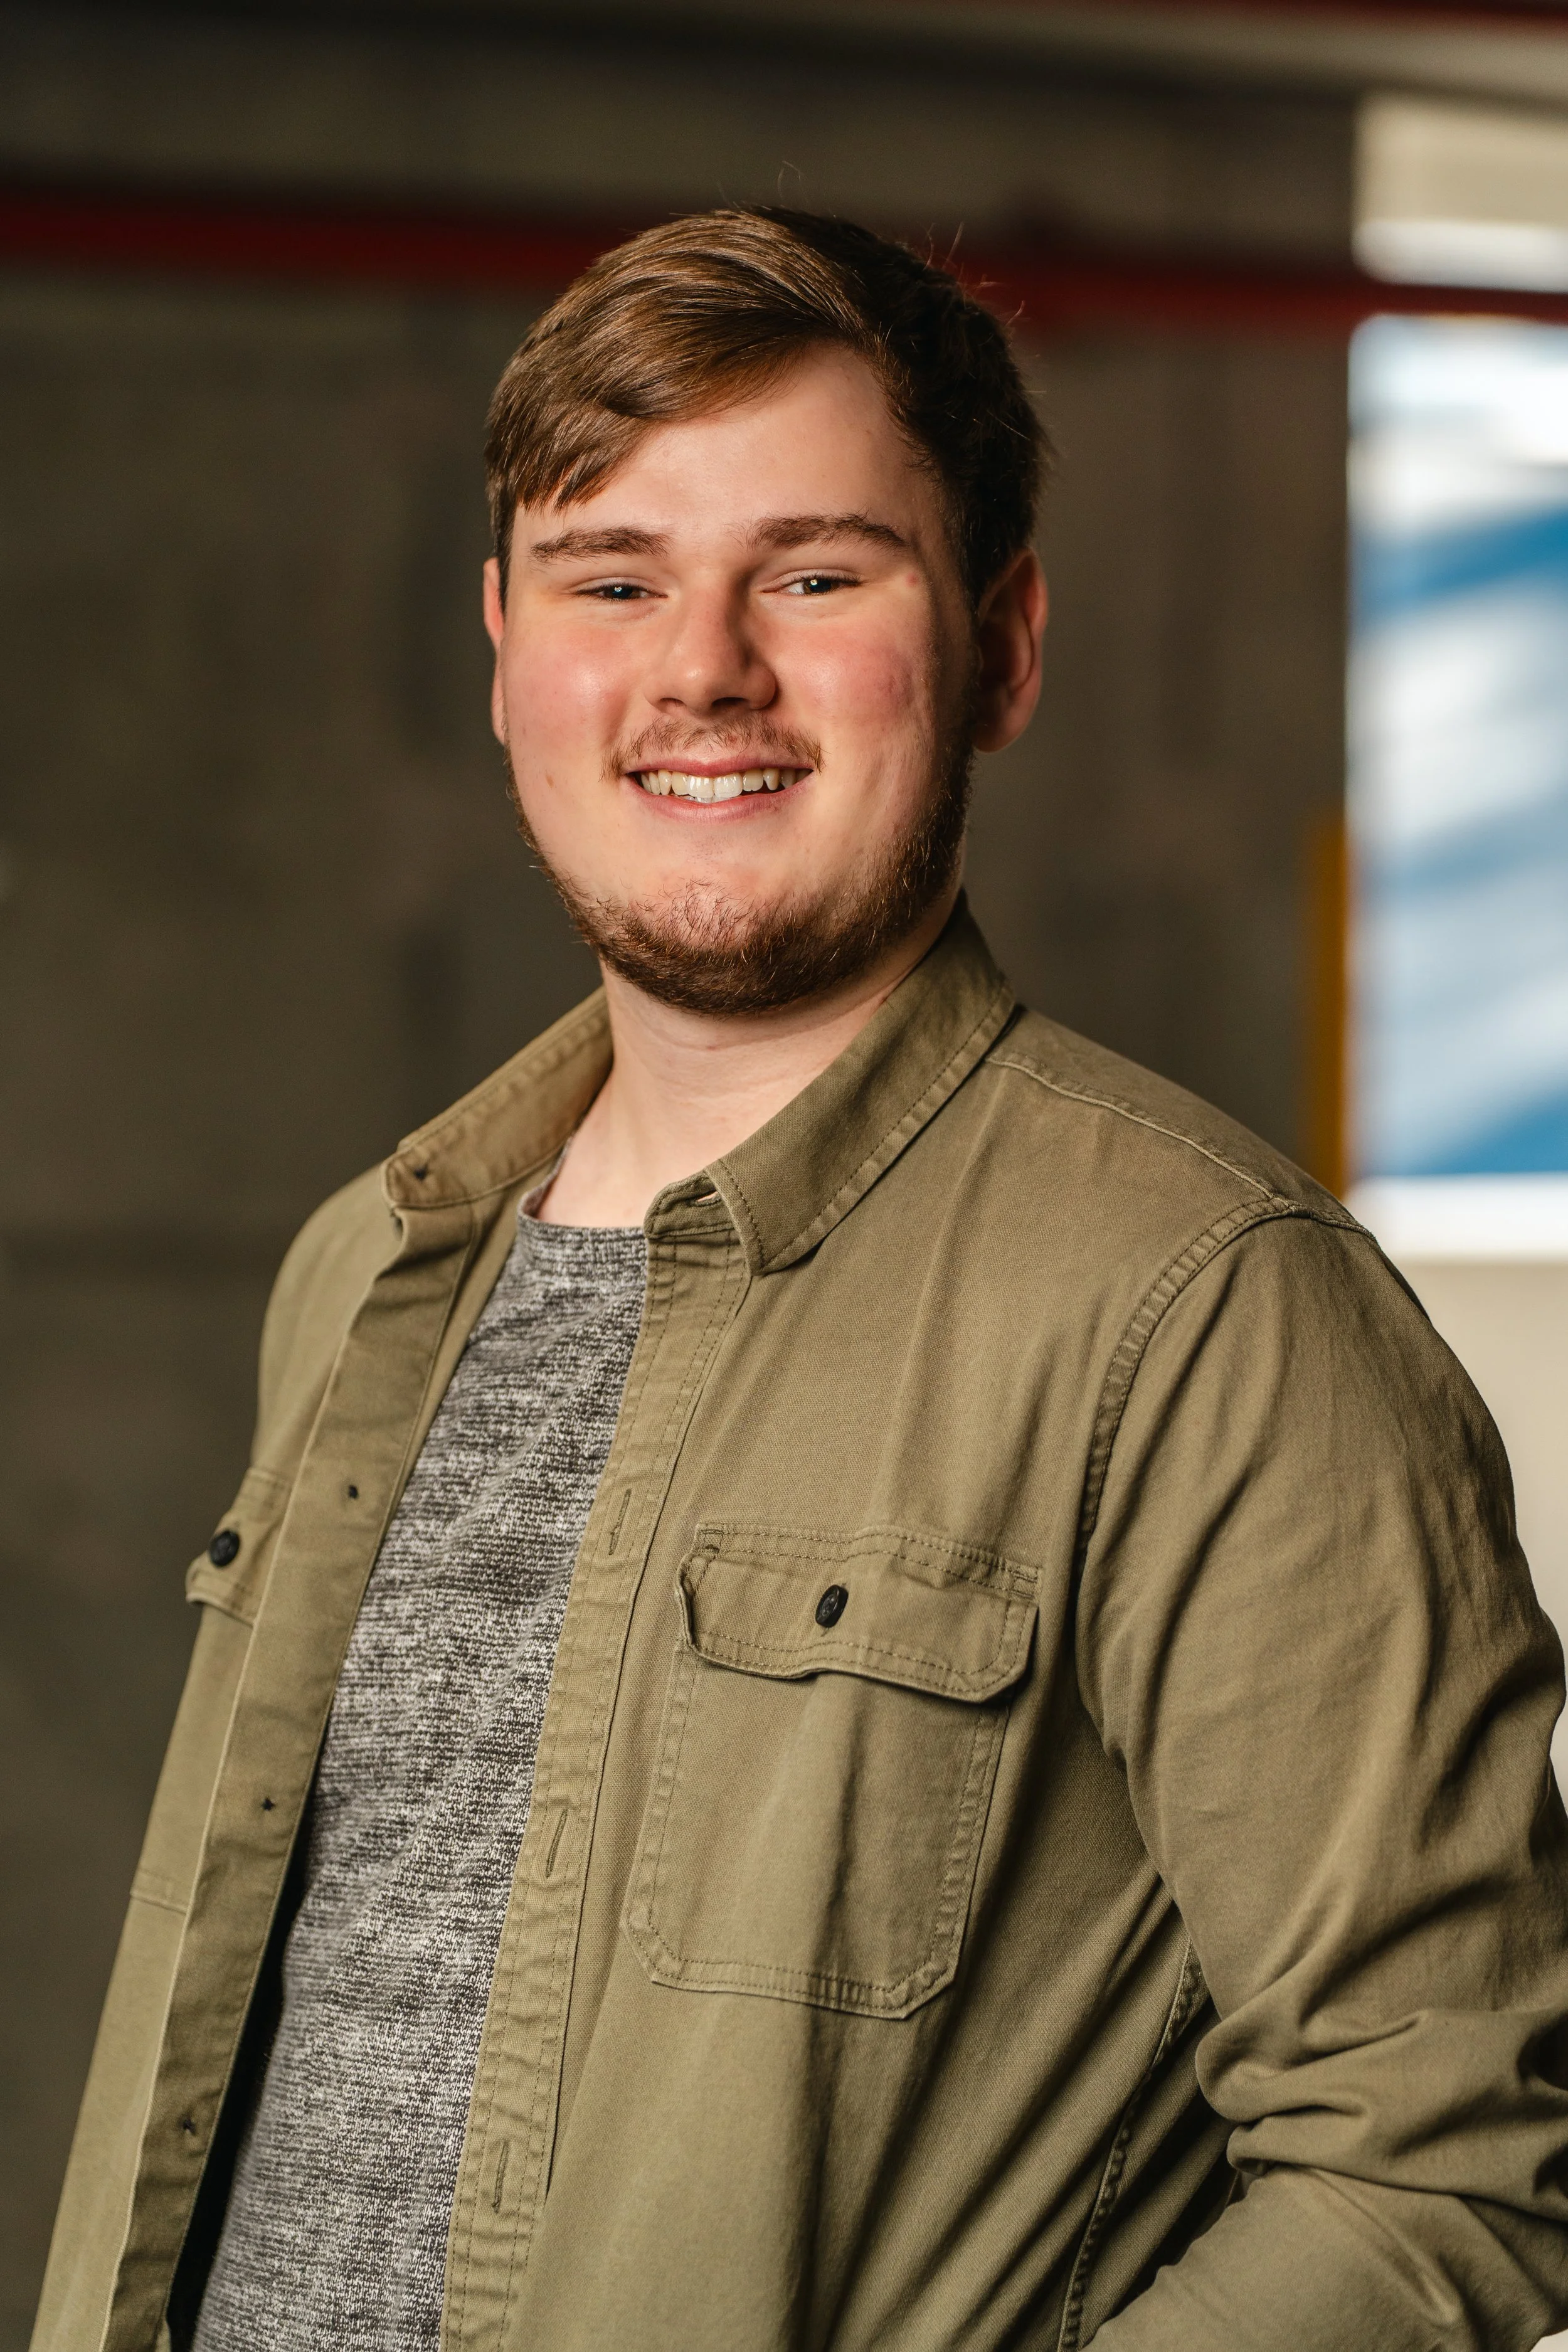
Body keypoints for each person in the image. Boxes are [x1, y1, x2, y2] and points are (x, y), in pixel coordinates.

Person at [31, 208, 1568, 2352]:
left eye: (818, 573)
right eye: (613, 576)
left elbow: (1441, 2169)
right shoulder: (373, 1262)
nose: (701, 670)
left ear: (1003, 644)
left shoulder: (1208, 1313)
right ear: (502, 649)